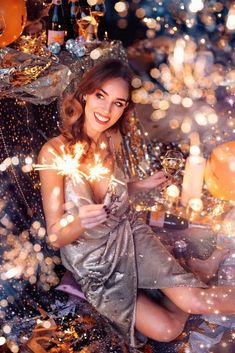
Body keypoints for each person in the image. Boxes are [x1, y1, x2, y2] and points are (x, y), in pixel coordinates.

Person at [38, 58, 235, 349]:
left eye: (118, 103)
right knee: (166, 329)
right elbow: (55, 236)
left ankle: (195, 278)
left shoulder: (111, 139)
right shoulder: (53, 153)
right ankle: (200, 272)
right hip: (94, 263)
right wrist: (80, 221)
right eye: (101, 96)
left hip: (129, 234)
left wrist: (139, 186)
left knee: (195, 300)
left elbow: (112, 195)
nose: (106, 111)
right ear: (84, 94)